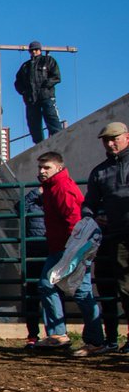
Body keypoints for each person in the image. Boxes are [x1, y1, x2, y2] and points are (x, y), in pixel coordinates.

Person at [34, 152, 106, 355]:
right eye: (40, 167)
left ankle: (93, 340)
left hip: (70, 249)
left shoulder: (62, 188)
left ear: (58, 167)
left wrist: (75, 254)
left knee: (80, 292)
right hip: (63, 248)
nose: (41, 171)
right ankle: (60, 335)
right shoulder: (53, 188)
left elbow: (75, 222)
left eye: (46, 167)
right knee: (49, 286)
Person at [83, 121, 129, 352]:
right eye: (106, 140)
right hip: (107, 237)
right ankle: (111, 339)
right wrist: (93, 215)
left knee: (126, 286)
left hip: (124, 234)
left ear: (126, 137)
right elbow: (89, 203)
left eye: (115, 139)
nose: (110, 144)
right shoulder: (100, 171)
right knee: (107, 287)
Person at [13, 40, 62, 144]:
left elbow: (56, 76)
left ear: (40, 50)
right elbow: (18, 82)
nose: (34, 52)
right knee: (33, 123)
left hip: (46, 96)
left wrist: (46, 86)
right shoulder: (25, 66)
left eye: (36, 49)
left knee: (51, 117)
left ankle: (59, 139)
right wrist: (24, 92)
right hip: (31, 99)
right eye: (31, 50)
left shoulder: (48, 60)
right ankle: (39, 144)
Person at [18, 187, 46, 348]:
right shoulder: (33, 202)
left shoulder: (56, 198)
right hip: (33, 253)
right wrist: (35, 193)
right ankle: (33, 335)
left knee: (53, 295)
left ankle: (56, 334)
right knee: (32, 296)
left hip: (51, 250)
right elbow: (19, 208)